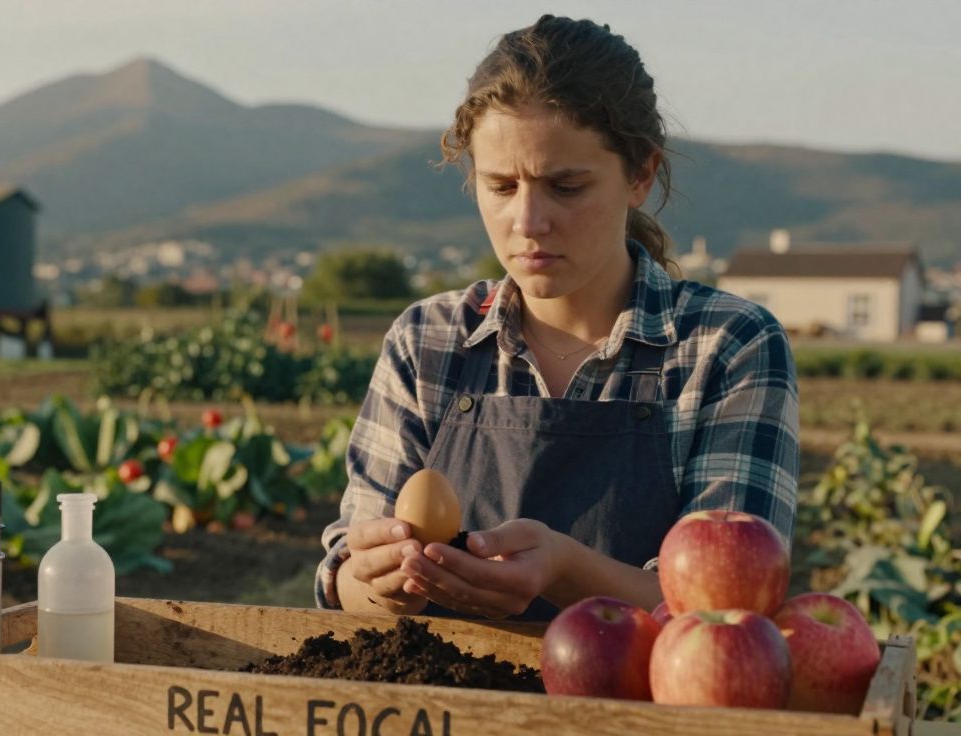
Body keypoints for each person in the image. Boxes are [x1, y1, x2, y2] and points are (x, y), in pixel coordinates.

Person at [315, 14, 799, 620]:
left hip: (638, 715)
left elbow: (731, 607)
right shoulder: (429, 340)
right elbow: (346, 581)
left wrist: (567, 570)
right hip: (446, 712)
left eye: (565, 187)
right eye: (500, 186)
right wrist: (376, 581)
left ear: (640, 175)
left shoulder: (726, 347)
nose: (528, 222)